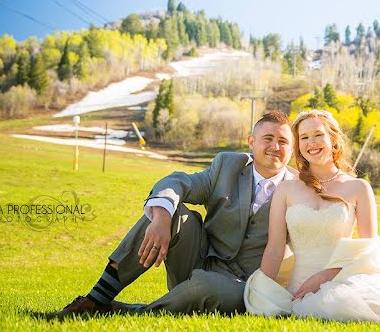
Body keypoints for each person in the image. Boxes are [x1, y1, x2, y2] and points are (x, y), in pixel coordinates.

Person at [42, 110, 296, 319]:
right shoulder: (228, 165)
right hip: (196, 262)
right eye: (268, 138)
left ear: (292, 149)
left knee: (208, 286)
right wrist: (162, 216)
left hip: (243, 285)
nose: (275, 146)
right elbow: (179, 181)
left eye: (283, 141)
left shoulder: (298, 189)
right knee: (172, 212)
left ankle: (136, 312)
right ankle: (95, 300)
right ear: (251, 142)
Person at [243, 109, 380, 323]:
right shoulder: (287, 189)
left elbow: (367, 249)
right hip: (299, 284)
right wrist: (265, 289)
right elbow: (275, 248)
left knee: (341, 307)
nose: (311, 142)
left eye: (318, 135)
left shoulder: (358, 188)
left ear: (333, 140)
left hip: (341, 278)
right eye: (304, 138)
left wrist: (324, 277)